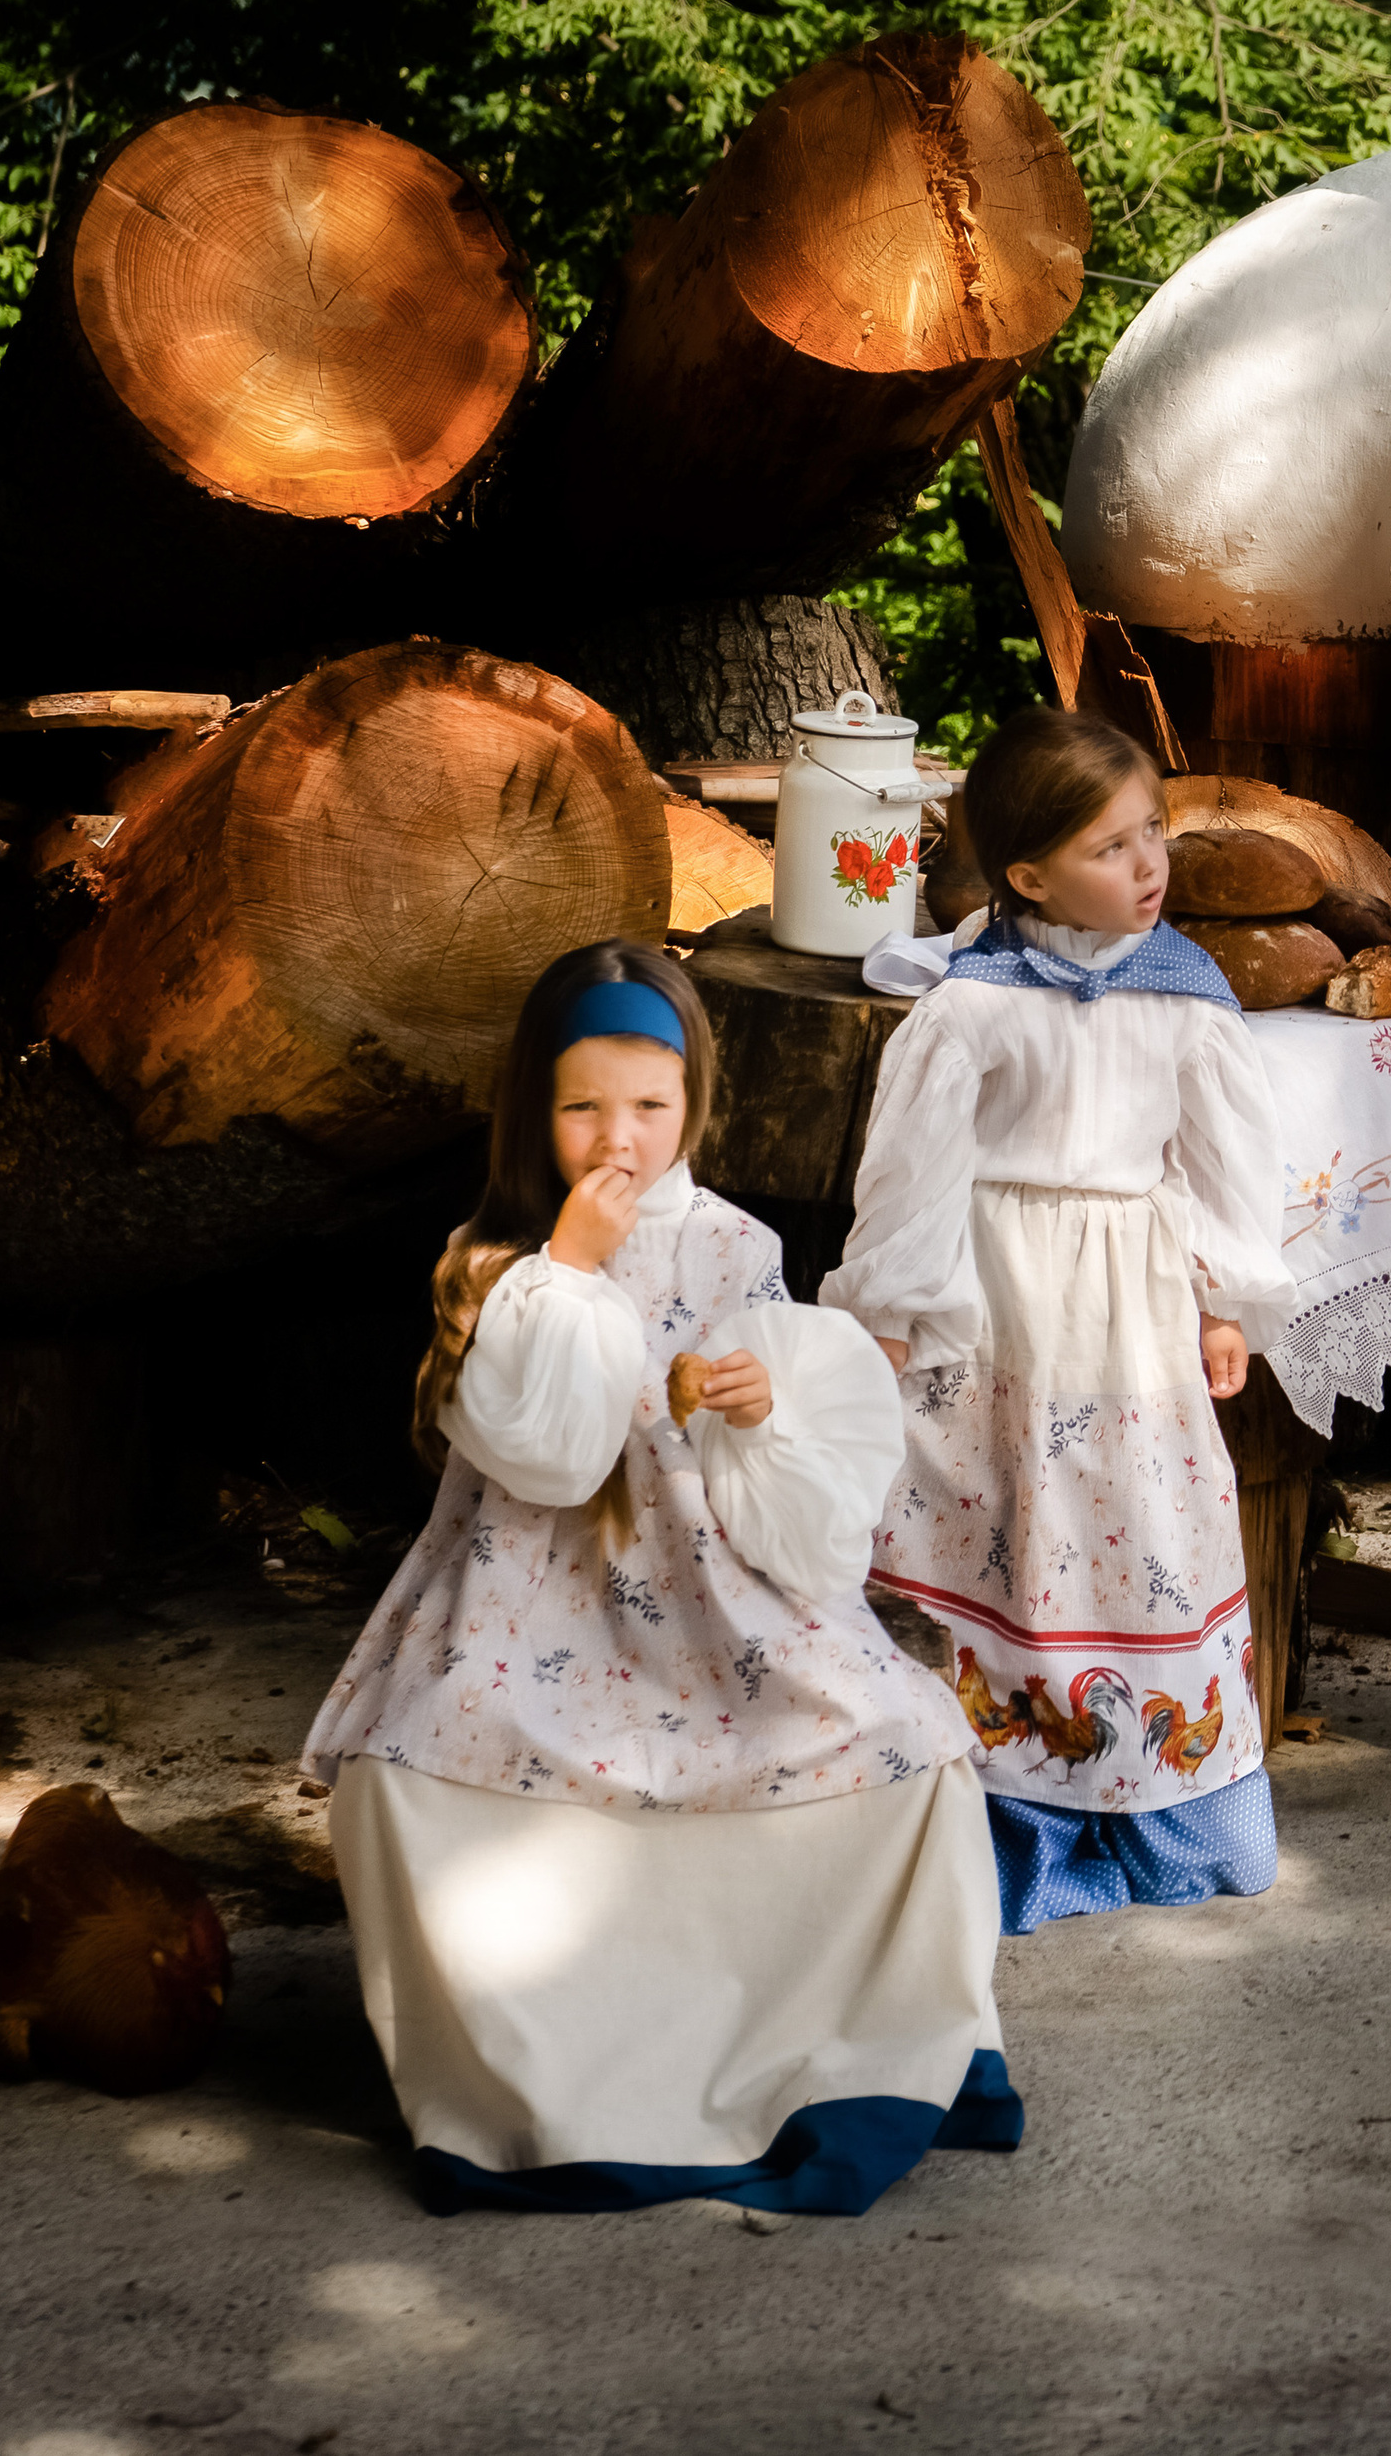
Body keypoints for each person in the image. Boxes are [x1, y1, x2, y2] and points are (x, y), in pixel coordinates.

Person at [304, 937, 1019, 2213]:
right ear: (535, 1109)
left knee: (904, 1737)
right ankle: (549, 2091)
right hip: (532, 1579)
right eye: (582, 1106)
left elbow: (798, 1426)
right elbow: (545, 1456)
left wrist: (756, 1403)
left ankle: (836, 2048)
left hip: (712, 1578)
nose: (617, 1136)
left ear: (696, 1104)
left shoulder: (735, 1243)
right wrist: (566, 1269)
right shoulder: (491, 1255)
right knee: (415, 1764)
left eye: (650, 1104)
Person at [822, 708, 1292, 1932]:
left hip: (1128, 1300)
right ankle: (994, 1795)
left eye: (1152, 837)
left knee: (1135, 1518)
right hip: (998, 1299)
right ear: (1029, 875)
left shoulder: (1183, 995)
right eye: (1110, 850)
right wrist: (887, 1308)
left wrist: (1226, 1293)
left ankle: (1156, 1800)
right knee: (1007, 1512)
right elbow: (914, 1170)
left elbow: (1226, 1157)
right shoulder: (973, 1005)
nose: (1149, 870)